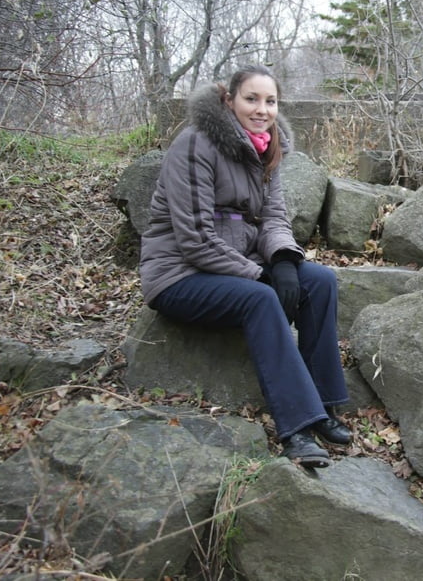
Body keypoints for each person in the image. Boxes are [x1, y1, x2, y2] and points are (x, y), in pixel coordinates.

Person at [139, 64, 350, 469]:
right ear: (229, 99)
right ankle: (296, 426)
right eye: (251, 99)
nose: (262, 109)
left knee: (320, 281)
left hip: (237, 265)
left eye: (270, 101)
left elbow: (274, 218)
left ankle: (323, 404)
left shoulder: (266, 146)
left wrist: (284, 260)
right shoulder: (195, 143)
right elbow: (196, 239)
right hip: (180, 275)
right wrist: (261, 275)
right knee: (259, 299)